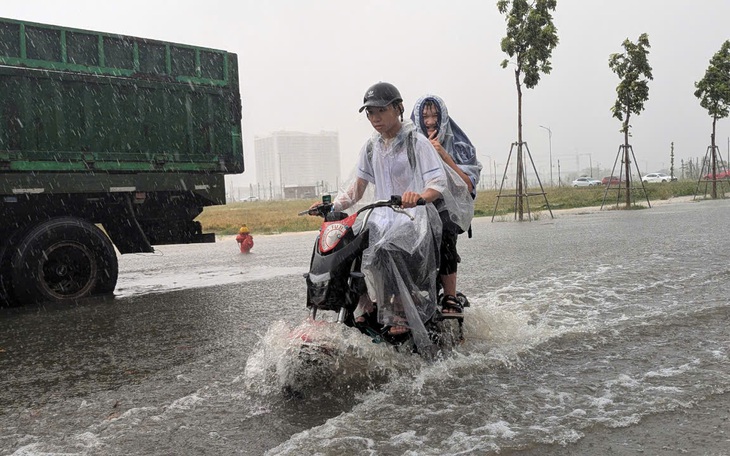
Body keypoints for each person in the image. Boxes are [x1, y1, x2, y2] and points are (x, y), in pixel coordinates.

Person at [325, 82, 473, 351]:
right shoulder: (371, 147)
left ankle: (400, 310)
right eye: (370, 113)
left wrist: (417, 197)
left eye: (381, 110)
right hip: (380, 219)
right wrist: (334, 205)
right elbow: (357, 187)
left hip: (413, 220)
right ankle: (363, 304)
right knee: (347, 246)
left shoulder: (416, 142)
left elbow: (436, 183)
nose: (375, 118)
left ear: (398, 108)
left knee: (385, 249)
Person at [410, 95, 482, 316]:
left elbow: (468, 184)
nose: (430, 122)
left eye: (434, 116)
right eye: (425, 117)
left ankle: (450, 296)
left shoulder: (459, 144)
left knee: (445, 233)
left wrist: (443, 154)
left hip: (449, 208)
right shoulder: (410, 142)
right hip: (418, 205)